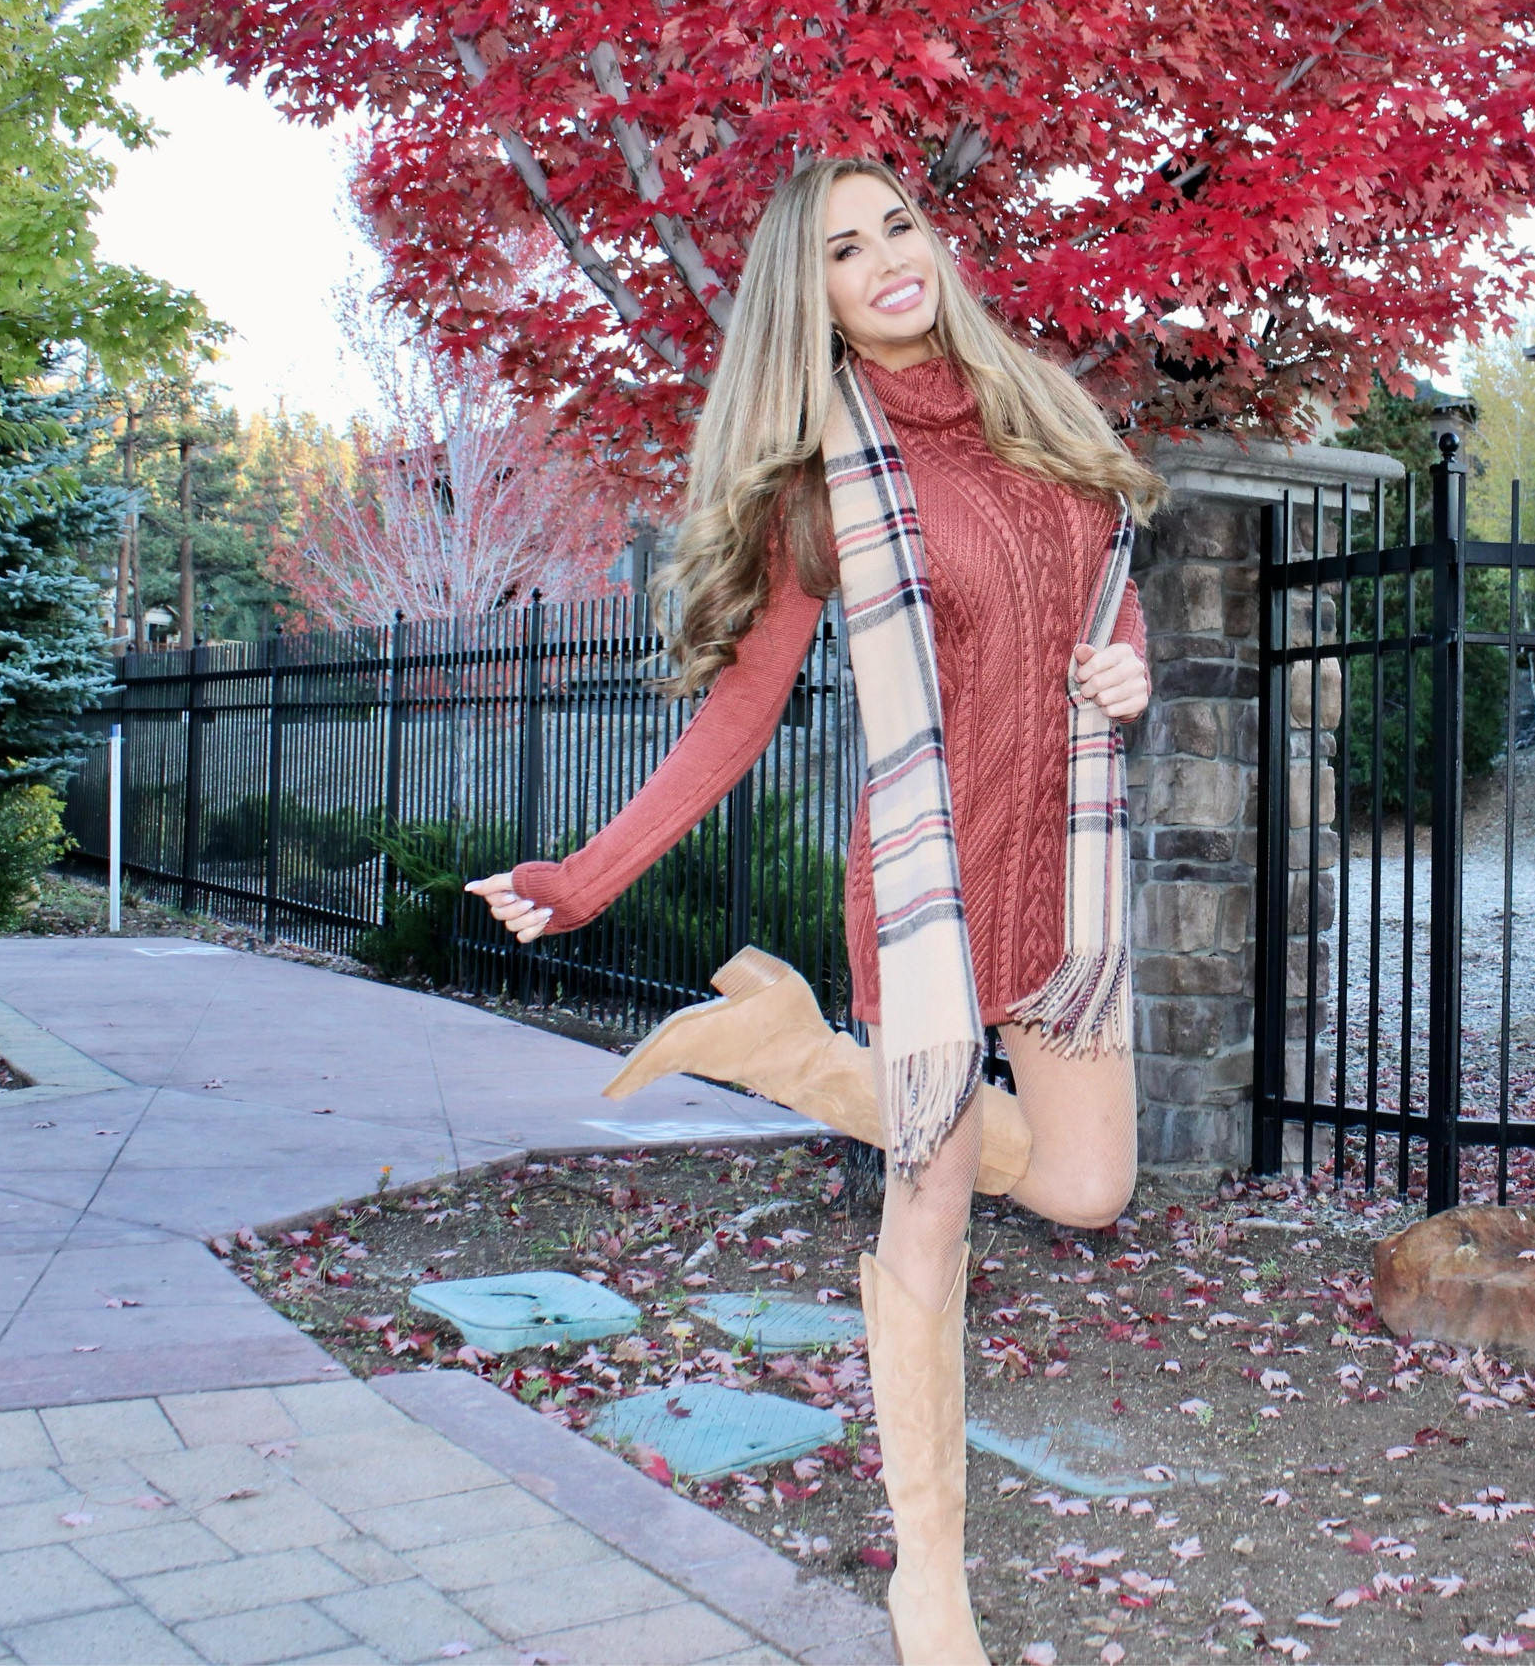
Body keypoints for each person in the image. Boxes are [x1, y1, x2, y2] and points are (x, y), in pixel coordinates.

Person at [467, 157, 1160, 1665]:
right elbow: (734, 722)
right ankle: (933, 1586)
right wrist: (578, 880)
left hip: (1065, 870)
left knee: (1091, 1187)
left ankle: (780, 1052)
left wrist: (1129, 671)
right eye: (846, 250)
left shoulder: (1041, 414)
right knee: (933, 1193)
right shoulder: (819, 491)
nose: (888, 260)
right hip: (929, 879)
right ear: (817, 296)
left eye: (899, 226)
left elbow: (1104, 593)